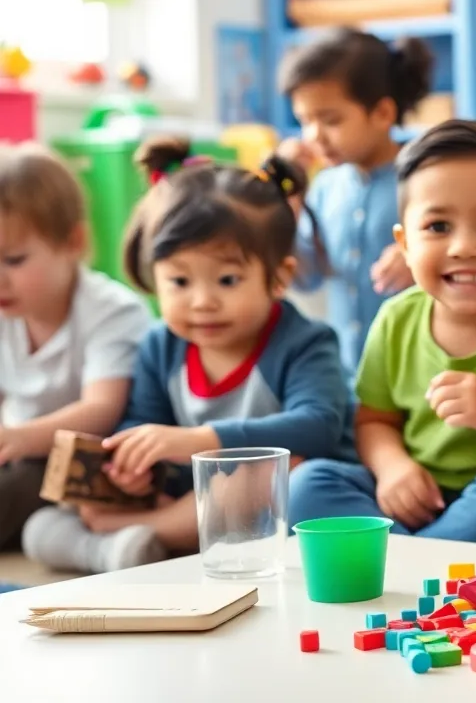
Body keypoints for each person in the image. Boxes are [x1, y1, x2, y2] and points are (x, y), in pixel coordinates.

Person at [22, 139, 355, 573]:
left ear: (278, 278)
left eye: (227, 279)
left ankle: (152, 533)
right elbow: (141, 420)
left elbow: (319, 426)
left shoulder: (306, 342)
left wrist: (201, 441)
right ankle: (123, 547)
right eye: (179, 282)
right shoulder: (161, 345)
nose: (202, 301)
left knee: (272, 478)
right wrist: (134, 466)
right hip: (186, 499)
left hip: (273, 501)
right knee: (45, 525)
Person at [288, 121, 476, 548]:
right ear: (404, 244)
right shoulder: (396, 319)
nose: (463, 247)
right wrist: (393, 469)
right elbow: (374, 421)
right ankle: (429, 560)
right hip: (413, 493)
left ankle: (405, 561)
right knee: (308, 482)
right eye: (438, 227)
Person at [0, 146, 152, 560]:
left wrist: (18, 438)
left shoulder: (110, 311)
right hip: (21, 451)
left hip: (89, 464)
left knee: (16, 491)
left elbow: (101, 409)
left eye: (13, 260)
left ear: (73, 242)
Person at [278, 29, 434, 377]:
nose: (314, 136)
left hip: (416, 371)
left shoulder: (425, 180)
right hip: (348, 372)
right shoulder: (324, 187)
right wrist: (288, 203)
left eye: (330, 120)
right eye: (305, 121)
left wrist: (423, 258)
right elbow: (307, 279)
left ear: (382, 113)